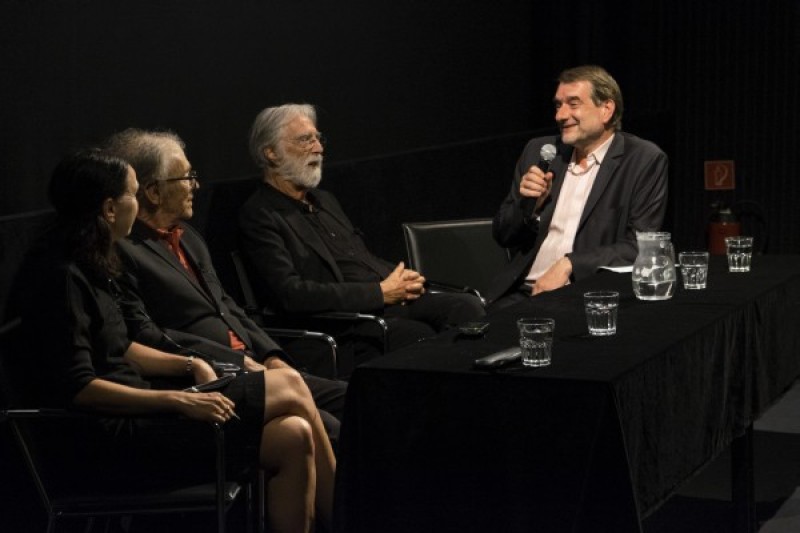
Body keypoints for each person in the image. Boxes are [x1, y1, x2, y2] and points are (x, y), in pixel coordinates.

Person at [10, 150, 335, 532]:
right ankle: (349, 517)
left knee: (294, 435)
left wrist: (185, 364)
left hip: (142, 415)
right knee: (292, 386)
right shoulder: (61, 276)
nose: (138, 204)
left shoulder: (92, 261)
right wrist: (178, 400)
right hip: (112, 438)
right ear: (110, 209)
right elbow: (80, 388)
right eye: (133, 194)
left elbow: (120, 347)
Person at [102, 128, 346, 442]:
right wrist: (235, 361)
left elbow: (228, 306)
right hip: (214, 378)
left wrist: (271, 355)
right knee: (329, 429)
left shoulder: (189, 238)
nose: (196, 186)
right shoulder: (125, 252)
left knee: (354, 398)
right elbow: (148, 334)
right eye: (187, 177)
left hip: (256, 365)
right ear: (152, 191)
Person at [239, 103, 485, 374]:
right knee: (416, 334)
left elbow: (358, 257)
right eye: (305, 140)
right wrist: (378, 293)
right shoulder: (261, 214)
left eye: (318, 138)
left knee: (467, 306)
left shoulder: (324, 200)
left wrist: (400, 279)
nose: (319, 148)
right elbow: (291, 294)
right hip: (340, 322)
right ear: (271, 153)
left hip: (382, 301)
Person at [487, 65, 669, 311]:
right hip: (521, 293)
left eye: (573, 104)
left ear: (606, 109)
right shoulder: (540, 152)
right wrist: (529, 207)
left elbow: (639, 245)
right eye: (558, 105)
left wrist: (569, 264)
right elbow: (503, 234)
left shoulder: (643, 160)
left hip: (587, 296)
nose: (560, 116)